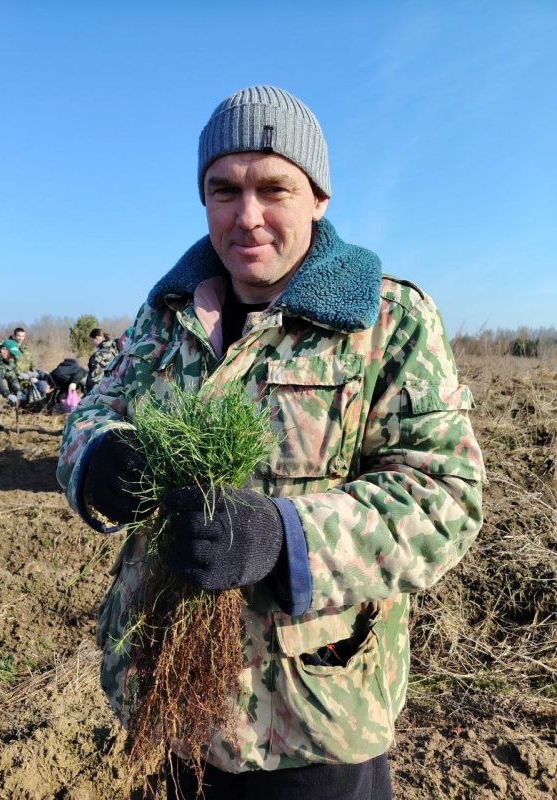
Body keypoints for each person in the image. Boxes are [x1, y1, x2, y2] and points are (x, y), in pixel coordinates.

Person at [56, 86, 485, 799]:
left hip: (307, 726)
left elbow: (446, 498)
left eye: (272, 187)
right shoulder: (164, 318)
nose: (246, 216)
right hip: (169, 708)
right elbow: (90, 414)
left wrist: (287, 538)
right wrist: (99, 458)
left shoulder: (387, 322)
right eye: (223, 190)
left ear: (318, 197)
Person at [85, 328, 118, 393]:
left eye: (92, 340)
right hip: (110, 385)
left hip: (98, 388)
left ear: (97, 338)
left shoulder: (99, 354)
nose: (92, 343)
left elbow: (94, 377)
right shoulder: (114, 348)